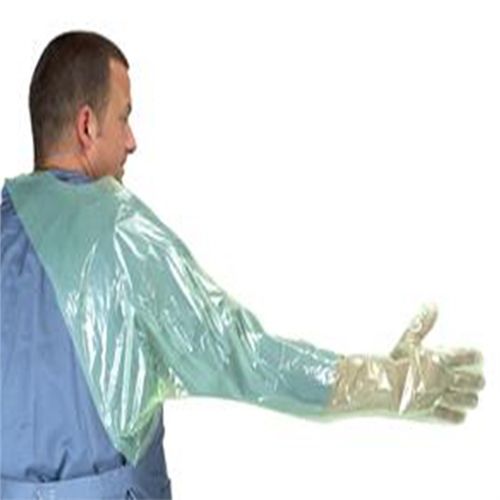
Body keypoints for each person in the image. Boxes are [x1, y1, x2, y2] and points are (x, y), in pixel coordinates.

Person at [0, 31, 485, 500]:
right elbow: (246, 358)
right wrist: (388, 383)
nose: (132, 141)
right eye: (123, 117)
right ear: (87, 126)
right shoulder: (118, 233)